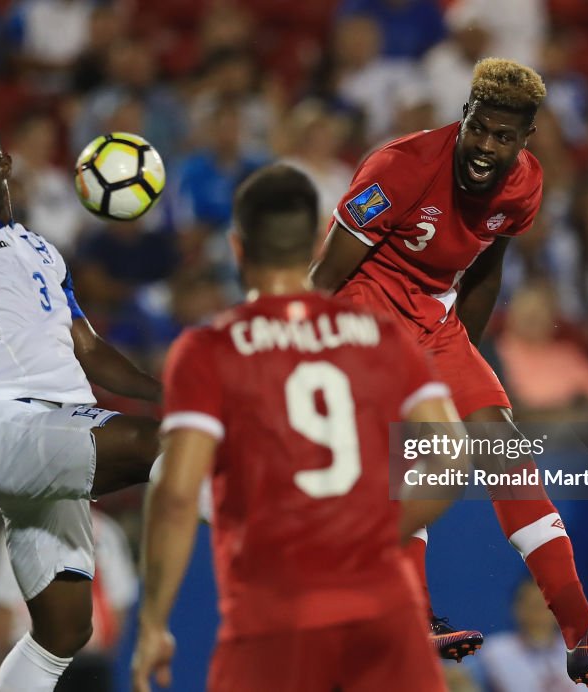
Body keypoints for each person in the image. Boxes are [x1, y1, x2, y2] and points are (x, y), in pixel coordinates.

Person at [309, 57, 588, 684]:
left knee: (504, 449)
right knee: (416, 450)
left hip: (438, 325)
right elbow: (326, 276)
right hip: (364, 318)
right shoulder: (399, 167)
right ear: (464, 117)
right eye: (479, 129)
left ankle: (580, 630)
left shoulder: (525, 187)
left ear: (526, 139)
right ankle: (413, 614)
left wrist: (465, 361)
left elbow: (487, 270)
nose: (487, 147)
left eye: (504, 137)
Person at [131, 164, 468, 692]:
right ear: (316, 242)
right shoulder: (380, 336)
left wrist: (152, 622)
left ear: (237, 248)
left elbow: (175, 495)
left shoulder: (207, 351)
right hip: (381, 606)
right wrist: (371, 537)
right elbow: (452, 458)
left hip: (273, 617)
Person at [0, 113, 160, 692]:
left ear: (3, 167)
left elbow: (88, 348)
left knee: (64, 633)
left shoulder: (43, 250)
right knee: (163, 444)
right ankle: (290, 529)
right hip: (8, 424)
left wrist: (167, 391)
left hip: (57, 433)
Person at [0, 508, 138, 692]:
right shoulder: (105, 531)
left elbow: (4, 608)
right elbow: (118, 607)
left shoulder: (19, 530)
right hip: (85, 663)